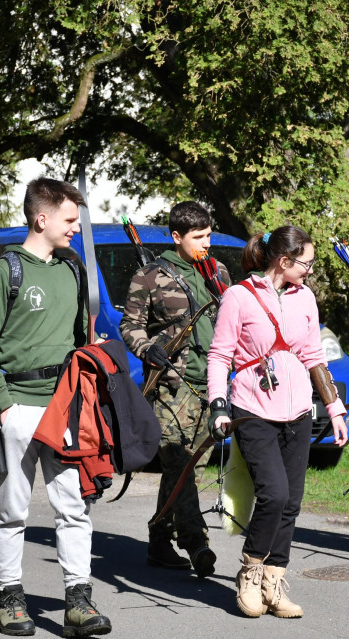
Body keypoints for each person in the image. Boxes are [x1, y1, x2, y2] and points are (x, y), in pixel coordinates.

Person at [0, 177, 108, 638]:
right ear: (41, 218)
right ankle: (9, 598)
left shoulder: (71, 271)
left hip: (64, 411)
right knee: (12, 509)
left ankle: (78, 602)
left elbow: (77, 342)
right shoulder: (1, 272)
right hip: (16, 408)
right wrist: (5, 407)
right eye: (70, 220)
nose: (75, 228)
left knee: (74, 507)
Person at [207, 225, 348, 619]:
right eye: (306, 263)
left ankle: (274, 578)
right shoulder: (238, 297)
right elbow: (220, 356)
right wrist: (218, 406)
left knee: (292, 502)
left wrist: (334, 408)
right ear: (284, 261)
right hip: (253, 409)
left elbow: (313, 356)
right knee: (274, 494)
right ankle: (251, 570)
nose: (310, 271)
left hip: (299, 411)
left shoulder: (305, 298)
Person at [119, 201, 227, 577]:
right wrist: (147, 348)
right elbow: (129, 326)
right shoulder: (150, 275)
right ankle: (197, 542)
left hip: (211, 383)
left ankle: (159, 537)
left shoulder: (218, 272)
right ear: (177, 236)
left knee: (190, 469)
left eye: (209, 235)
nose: (206, 244)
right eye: (198, 237)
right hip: (171, 386)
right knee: (178, 462)